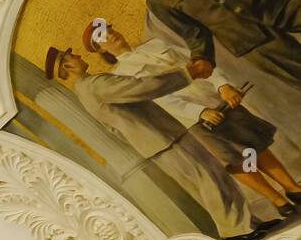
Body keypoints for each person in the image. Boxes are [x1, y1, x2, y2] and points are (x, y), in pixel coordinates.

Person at [45, 45, 262, 240]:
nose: (77, 55)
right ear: (67, 65)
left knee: (212, 176)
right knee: (209, 180)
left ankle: (246, 223)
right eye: (71, 55)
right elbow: (143, 87)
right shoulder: (94, 85)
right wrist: (189, 73)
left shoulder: (86, 90)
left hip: (160, 139)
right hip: (162, 139)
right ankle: (237, 231)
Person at [88, 20, 301, 216]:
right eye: (102, 36)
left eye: (111, 29)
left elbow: (202, 63)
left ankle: (292, 188)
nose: (111, 35)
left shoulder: (156, 45)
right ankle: (277, 200)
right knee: (236, 159)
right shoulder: (121, 76)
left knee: (255, 145)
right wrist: (198, 112)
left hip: (216, 98)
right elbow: (160, 101)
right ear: (100, 49)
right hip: (194, 120)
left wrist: (223, 86)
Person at [147, 0, 301, 92]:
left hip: (279, 1)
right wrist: (202, 57)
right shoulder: (157, 0)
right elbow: (193, 32)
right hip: (247, 38)